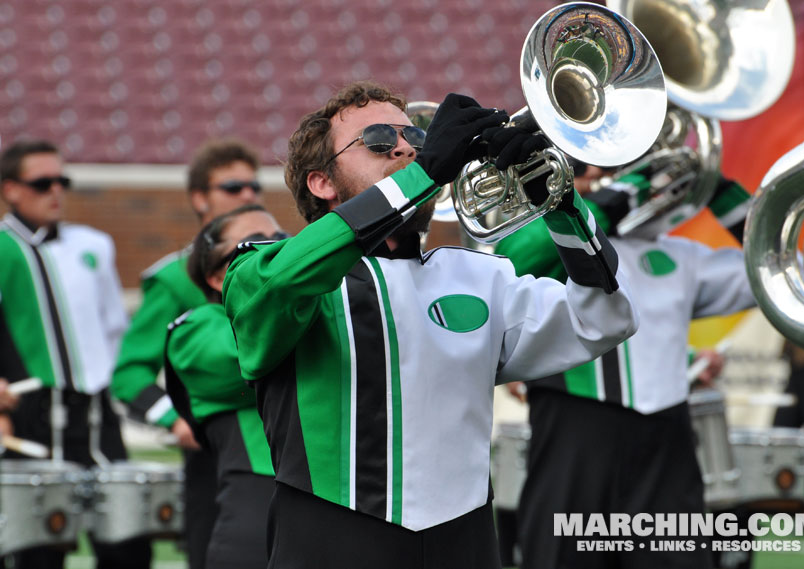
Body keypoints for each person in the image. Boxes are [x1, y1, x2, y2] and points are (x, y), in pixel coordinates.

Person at [221, 80, 639, 569]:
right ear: (322, 183)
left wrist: (561, 205)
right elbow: (286, 281)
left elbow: (605, 317)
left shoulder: (480, 276)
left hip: (464, 542)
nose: (404, 147)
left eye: (416, 140)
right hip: (329, 541)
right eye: (378, 140)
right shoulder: (263, 270)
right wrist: (424, 172)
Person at [497, 162, 755, 569]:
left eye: (614, 166)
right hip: (576, 433)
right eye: (580, 166)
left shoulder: (681, 255)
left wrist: (715, 186)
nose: (598, 172)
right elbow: (510, 257)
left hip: (666, 442)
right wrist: (614, 197)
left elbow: (772, 268)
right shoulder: (553, 240)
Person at [108, 137, 264, 569]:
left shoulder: (278, 265)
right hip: (214, 453)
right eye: (232, 188)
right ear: (199, 198)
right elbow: (128, 373)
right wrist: (174, 419)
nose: (247, 195)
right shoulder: (175, 278)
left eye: (253, 187)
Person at [0, 139, 149, 568]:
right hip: (33, 418)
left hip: (97, 415)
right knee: (37, 553)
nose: (55, 191)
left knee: (127, 543)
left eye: (60, 181)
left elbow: (112, 327)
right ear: (11, 189)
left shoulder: (94, 244)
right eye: (42, 182)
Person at [164, 204, 284, 569]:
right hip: (257, 507)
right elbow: (247, 353)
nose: (278, 249)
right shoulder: (194, 329)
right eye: (255, 244)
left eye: (282, 239)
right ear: (217, 277)